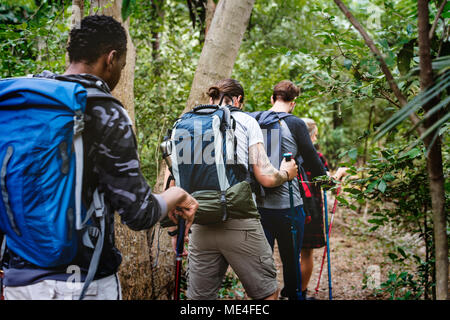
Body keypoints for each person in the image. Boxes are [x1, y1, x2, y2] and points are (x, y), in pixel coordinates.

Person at [1, 15, 198, 300]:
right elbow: (139, 212)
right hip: (82, 283)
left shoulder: (24, 103)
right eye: (122, 65)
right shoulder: (103, 110)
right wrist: (177, 194)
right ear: (111, 58)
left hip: (19, 281)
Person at [168, 78, 298, 300]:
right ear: (238, 100)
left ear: (211, 99)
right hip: (240, 221)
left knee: (199, 300)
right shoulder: (246, 122)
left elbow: (172, 182)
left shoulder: (185, 124)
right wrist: (286, 173)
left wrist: (175, 231)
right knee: (267, 294)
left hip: (199, 224)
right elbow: (265, 176)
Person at [255, 80, 327, 300]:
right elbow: (314, 162)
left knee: (262, 263)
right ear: (293, 103)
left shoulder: (254, 120)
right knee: (290, 261)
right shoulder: (295, 124)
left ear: (272, 98)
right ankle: (294, 297)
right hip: (289, 206)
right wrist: (328, 181)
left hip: (258, 205)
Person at [299, 117, 347, 299]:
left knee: (290, 252)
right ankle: (300, 294)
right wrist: (339, 175)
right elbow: (330, 185)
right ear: (309, 137)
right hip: (311, 211)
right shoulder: (316, 157)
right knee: (306, 253)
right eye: (315, 136)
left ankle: (292, 290)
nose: (316, 140)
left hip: (287, 208)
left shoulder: (286, 155)